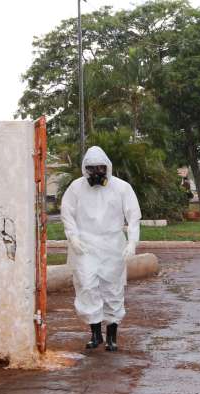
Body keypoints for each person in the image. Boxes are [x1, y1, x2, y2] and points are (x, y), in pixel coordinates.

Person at [61, 146, 141, 352]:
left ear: (107, 167)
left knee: (112, 289)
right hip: (85, 246)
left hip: (113, 245)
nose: (96, 172)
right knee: (87, 286)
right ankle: (95, 334)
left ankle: (112, 336)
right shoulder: (76, 187)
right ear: (84, 169)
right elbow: (66, 213)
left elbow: (134, 217)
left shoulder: (122, 188)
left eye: (100, 168)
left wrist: (132, 242)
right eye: (91, 168)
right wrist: (73, 237)